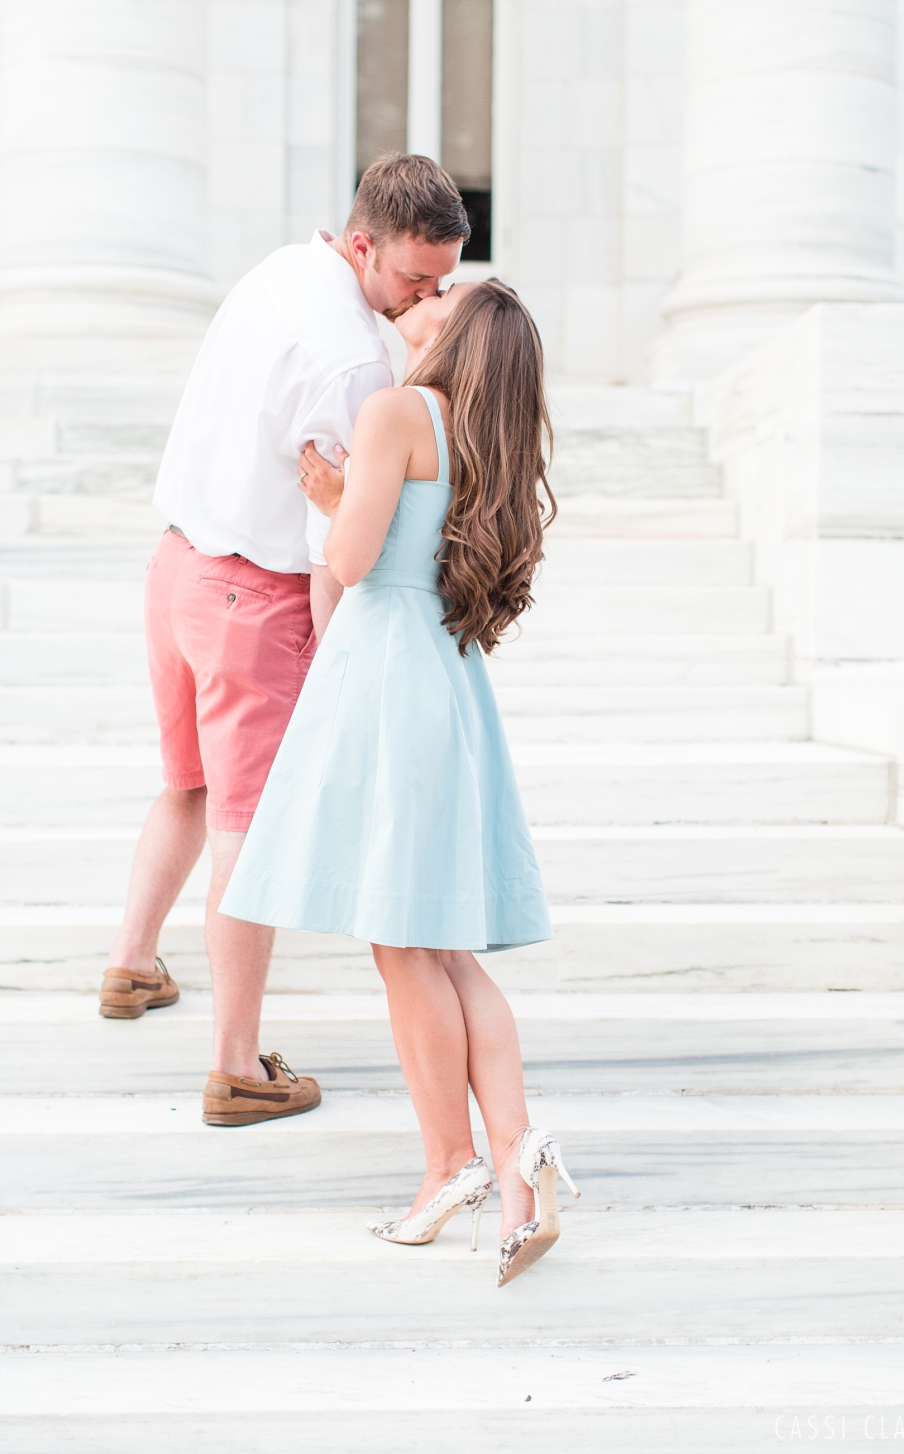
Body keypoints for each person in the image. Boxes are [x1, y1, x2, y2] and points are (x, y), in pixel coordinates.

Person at [220, 280, 580, 1286]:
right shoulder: (486, 438)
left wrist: (335, 497)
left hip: (384, 676)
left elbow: (349, 555)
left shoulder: (396, 411)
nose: (426, 297)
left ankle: (449, 1164)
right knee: (447, 948)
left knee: (403, 940)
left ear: (453, 333)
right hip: (446, 682)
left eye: (446, 294)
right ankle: (519, 1166)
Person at [98, 155, 469, 1130]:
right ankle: (235, 1066)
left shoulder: (275, 271)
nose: (427, 297)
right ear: (363, 243)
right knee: (248, 833)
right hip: (252, 595)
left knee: (187, 781)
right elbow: (331, 550)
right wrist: (340, 667)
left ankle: (132, 964)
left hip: (176, 565)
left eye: (441, 280)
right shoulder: (353, 358)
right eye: (414, 277)